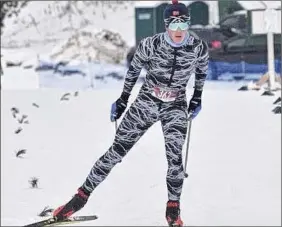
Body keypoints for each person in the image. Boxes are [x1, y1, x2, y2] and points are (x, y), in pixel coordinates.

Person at [52, 0, 209, 226]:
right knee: (116, 151)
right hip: (147, 101)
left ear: (188, 25)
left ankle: (173, 210)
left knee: (175, 160)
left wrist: (197, 98)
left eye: (183, 25)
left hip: (175, 104)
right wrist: (123, 100)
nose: (178, 31)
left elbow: (202, 72)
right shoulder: (150, 44)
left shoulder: (198, 47)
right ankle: (79, 198)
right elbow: (133, 71)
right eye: (173, 25)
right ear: (165, 25)